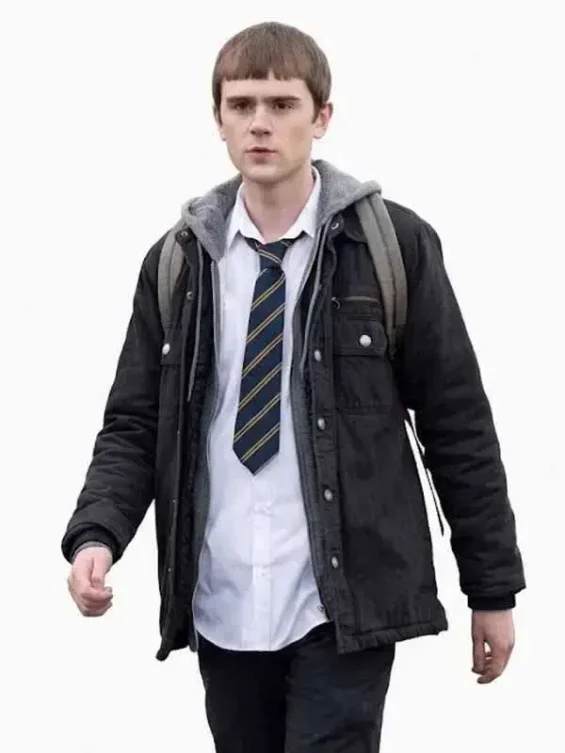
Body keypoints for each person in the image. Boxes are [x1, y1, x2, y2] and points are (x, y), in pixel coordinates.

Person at [62, 20, 526, 753]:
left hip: (342, 601)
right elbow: (135, 421)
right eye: (242, 104)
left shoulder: (390, 247)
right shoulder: (179, 262)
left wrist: (490, 588)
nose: (260, 123)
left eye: (281, 104)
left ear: (322, 116)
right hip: (222, 601)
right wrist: (98, 533)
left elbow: (457, 422)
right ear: (218, 118)